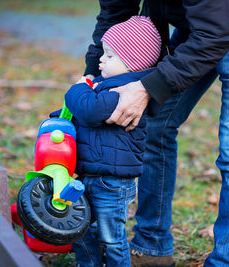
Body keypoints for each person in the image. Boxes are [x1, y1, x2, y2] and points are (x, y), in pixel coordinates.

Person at [82, 0, 229, 266]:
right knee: (155, 126)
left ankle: (226, 262)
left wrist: (146, 88)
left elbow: (215, 35)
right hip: (199, 27)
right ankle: (152, 247)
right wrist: (90, 75)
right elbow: (116, 13)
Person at [60, 16, 161, 267]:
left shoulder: (124, 92)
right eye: (104, 53)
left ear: (132, 63)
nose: (101, 59)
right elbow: (81, 116)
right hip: (88, 176)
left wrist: (77, 87)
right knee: (80, 227)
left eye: (111, 55)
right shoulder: (105, 86)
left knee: (111, 238)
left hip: (112, 183)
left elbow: (89, 110)